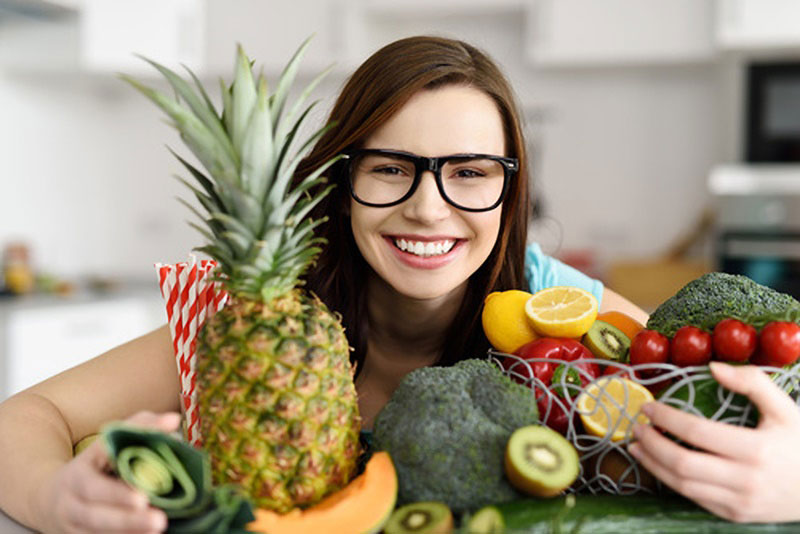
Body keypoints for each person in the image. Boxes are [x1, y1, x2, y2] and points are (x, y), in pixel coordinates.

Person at [0, 35, 788, 533]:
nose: (427, 207)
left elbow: (731, 403)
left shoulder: (562, 309)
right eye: (390, 169)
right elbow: (23, 417)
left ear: (512, 191)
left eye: (470, 173)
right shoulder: (251, 322)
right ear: (339, 184)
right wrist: (51, 498)